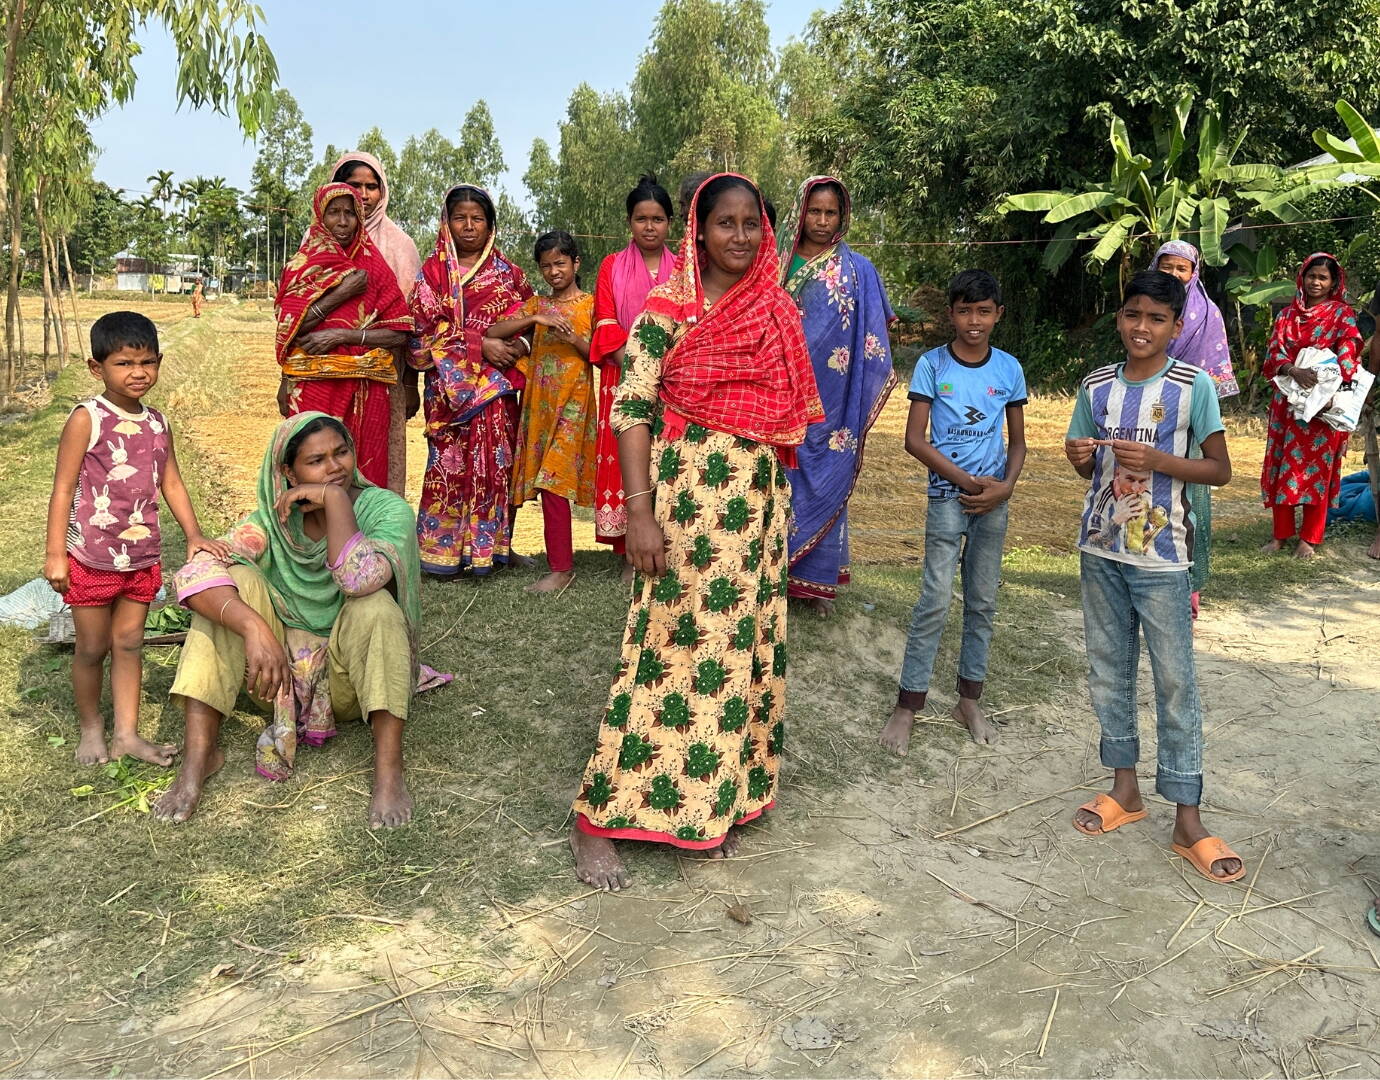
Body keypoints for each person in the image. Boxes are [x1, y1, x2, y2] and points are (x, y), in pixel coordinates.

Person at [568, 173, 823, 891]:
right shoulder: (667, 309)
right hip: (685, 510)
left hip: (756, 512)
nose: (739, 236)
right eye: (724, 223)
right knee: (666, 649)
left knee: (739, 652)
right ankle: (597, 819)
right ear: (699, 231)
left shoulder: (776, 308)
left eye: (750, 222)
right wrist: (640, 513)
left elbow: (790, 416)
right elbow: (631, 408)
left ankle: (708, 803)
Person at [154, 413, 420, 828]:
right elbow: (192, 573)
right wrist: (254, 628)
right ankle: (198, 759)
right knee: (232, 581)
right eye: (316, 461)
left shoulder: (387, 511)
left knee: (376, 606)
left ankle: (389, 773)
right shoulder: (271, 523)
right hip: (275, 680)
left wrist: (335, 501)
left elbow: (358, 579)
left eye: (341, 453)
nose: (334, 467)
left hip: (353, 683)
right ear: (289, 473)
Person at [1064, 270, 1243, 883]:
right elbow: (1082, 464)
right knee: (1108, 669)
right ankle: (1125, 789)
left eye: (1157, 319)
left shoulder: (1194, 387)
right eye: (1133, 314)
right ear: (1119, 318)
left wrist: (1162, 460)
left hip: (1164, 558)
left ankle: (1188, 816)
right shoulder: (1095, 386)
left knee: (1174, 681)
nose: (1142, 327)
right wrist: (1078, 456)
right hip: (1101, 551)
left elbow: (1219, 470)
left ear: (1176, 326)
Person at [43, 311, 228, 766]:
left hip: (141, 557)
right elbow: (63, 488)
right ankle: (92, 728)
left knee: (129, 644)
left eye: (147, 362)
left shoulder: (158, 423)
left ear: (159, 362)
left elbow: (172, 482)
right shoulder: (87, 419)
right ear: (97, 368)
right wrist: (55, 554)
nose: (138, 372)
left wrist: (194, 534)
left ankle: (126, 735)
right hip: (91, 556)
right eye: (124, 363)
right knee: (92, 647)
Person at [879, 270, 1026, 753]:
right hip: (948, 498)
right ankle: (908, 705)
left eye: (983, 311)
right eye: (965, 311)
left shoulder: (1009, 369)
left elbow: (1018, 443)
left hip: (993, 503)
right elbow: (913, 439)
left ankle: (969, 700)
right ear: (951, 314)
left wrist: (1004, 488)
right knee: (936, 600)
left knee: (982, 601)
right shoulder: (932, 365)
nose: (974, 321)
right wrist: (965, 482)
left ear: (998, 314)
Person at [777, 176, 898, 616]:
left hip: (834, 404)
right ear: (800, 212)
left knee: (828, 473)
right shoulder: (775, 264)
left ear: (842, 216)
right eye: (815, 211)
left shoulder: (858, 269)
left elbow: (874, 336)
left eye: (831, 212)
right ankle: (773, 576)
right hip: (781, 394)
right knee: (779, 479)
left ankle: (817, 585)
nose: (822, 221)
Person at [410, 185, 534, 577]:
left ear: (490, 225)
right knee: (448, 468)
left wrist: (519, 346)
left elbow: (533, 322)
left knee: (496, 468)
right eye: (460, 218)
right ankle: (440, 551)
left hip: (497, 393)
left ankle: (494, 548)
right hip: (449, 394)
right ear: (446, 223)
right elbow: (421, 334)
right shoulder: (431, 275)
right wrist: (482, 345)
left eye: (477, 218)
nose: (468, 226)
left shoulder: (510, 275)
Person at [274, 183, 413, 488]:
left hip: (367, 390)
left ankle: (361, 523)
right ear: (319, 217)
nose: (342, 221)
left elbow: (399, 332)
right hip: (313, 387)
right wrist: (341, 293)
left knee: (363, 476)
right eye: (333, 213)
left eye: (350, 213)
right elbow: (290, 328)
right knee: (311, 469)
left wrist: (341, 335)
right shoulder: (301, 267)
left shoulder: (375, 267)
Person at [487, 231, 596, 592]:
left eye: (560, 263)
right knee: (538, 480)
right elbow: (494, 330)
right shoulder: (537, 305)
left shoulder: (591, 305)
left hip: (575, 405)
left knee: (553, 481)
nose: (554, 272)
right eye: (546, 266)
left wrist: (573, 339)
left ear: (576, 263)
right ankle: (532, 557)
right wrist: (536, 320)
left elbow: (597, 354)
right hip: (539, 408)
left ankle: (561, 569)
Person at [590, 175, 678, 578]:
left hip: (675, 380)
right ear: (629, 222)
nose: (649, 227)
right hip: (623, 375)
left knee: (666, 458)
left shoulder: (686, 270)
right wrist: (642, 364)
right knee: (627, 457)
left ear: (670, 223)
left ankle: (668, 542)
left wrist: (665, 367)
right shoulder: (611, 266)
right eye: (641, 219)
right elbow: (606, 322)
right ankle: (628, 550)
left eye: (657, 219)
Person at [1149, 240, 1238, 613]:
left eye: (1181, 268)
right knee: (1147, 493)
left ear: (1193, 272)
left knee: (1191, 502)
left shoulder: (1207, 314)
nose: (1173, 274)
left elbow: (1210, 377)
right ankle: (1148, 570)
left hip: (1191, 418)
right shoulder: (1145, 307)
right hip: (1148, 413)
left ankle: (1191, 583)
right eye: (1166, 266)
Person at [330, 152, 424, 495]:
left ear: (382, 191)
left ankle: (376, 527)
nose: (364, 194)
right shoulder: (317, 241)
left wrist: (411, 384)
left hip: (383, 375)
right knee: (324, 457)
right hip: (325, 371)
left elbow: (413, 321)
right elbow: (294, 315)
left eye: (372, 186)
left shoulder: (400, 246)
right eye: (354, 185)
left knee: (376, 463)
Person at [1260, 253, 1363, 559]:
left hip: (1323, 405)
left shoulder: (1342, 315)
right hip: (1287, 403)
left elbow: (1348, 354)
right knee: (1282, 465)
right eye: (1311, 276)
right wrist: (1294, 371)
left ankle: (1309, 538)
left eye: (1323, 277)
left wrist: (1333, 390)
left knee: (1317, 470)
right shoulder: (1287, 316)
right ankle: (1280, 535)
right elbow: (1274, 353)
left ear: (1333, 282)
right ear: (1302, 277)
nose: (1316, 282)